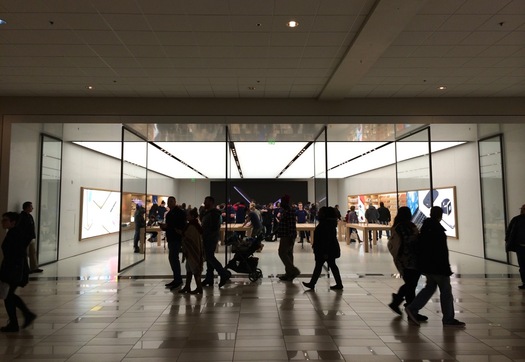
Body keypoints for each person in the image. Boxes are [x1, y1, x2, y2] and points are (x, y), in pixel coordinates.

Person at [405, 206, 465, 327]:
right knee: (446, 291)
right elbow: (441, 252)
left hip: (428, 266)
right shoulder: (437, 230)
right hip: (438, 267)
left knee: (430, 288)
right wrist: (445, 268)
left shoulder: (425, 228)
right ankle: (448, 318)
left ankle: (412, 308)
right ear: (440, 215)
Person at [387, 207, 426, 321]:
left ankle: (401, 302)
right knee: (411, 284)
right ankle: (410, 309)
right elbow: (411, 241)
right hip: (410, 259)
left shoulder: (397, 226)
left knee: (410, 284)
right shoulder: (407, 226)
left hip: (402, 260)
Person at [1, 212, 37, 332]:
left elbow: (16, 254)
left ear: (13, 222)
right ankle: (25, 316)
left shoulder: (15, 234)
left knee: (8, 296)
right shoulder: (14, 233)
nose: (3, 222)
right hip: (14, 270)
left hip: (14, 271)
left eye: (5, 220)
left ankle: (17, 322)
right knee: (9, 295)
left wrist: (9, 271)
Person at [302, 206, 343, 290]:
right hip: (328, 249)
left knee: (320, 266)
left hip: (324, 250)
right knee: (330, 265)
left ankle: (312, 283)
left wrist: (325, 252)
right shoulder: (329, 224)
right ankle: (338, 283)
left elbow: (325, 239)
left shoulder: (325, 225)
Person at [201, 196, 231, 288]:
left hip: (210, 238)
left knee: (210, 257)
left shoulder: (213, 214)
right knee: (209, 258)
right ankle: (209, 278)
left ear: (211, 202)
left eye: (206, 202)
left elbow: (213, 227)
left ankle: (222, 273)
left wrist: (205, 232)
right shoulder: (209, 213)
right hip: (208, 238)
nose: (204, 203)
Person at [162, 196, 186, 290]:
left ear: (175, 202)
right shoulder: (169, 214)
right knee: (172, 258)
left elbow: (181, 225)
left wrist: (169, 226)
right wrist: (164, 227)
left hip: (176, 238)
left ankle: (178, 279)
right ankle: (176, 278)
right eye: (169, 201)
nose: (170, 203)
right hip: (171, 238)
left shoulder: (179, 213)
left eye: (171, 201)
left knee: (173, 258)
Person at [179, 208, 204, 294]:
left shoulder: (192, 226)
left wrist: (180, 233)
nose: (187, 216)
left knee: (194, 269)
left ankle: (199, 287)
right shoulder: (194, 225)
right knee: (189, 268)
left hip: (192, 251)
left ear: (192, 216)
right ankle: (187, 286)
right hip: (192, 251)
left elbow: (190, 238)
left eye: (188, 215)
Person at [277, 195, 300, 281]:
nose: (280, 204)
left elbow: (291, 226)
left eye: (282, 202)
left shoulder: (289, 211)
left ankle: (293, 270)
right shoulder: (285, 211)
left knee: (282, 253)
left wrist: (291, 237)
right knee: (289, 254)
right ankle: (289, 274)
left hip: (287, 236)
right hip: (285, 235)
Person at [18, 201, 42, 274]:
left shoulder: (30, 216)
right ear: (27, 207)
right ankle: (25, 269)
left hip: (31, 237)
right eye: (31, 207)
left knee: (33, 253)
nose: (32, 208)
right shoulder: (21, 216)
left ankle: (34, 268)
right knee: (25, 253)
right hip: (25, 238)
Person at [505, 204, 525, 290]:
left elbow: (509, 232)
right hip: (520, 246)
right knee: (523, 266)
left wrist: (508, 241)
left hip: (520, 246)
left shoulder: (516, 219)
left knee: (523, 265)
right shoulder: (516, 219)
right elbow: (509, 232)